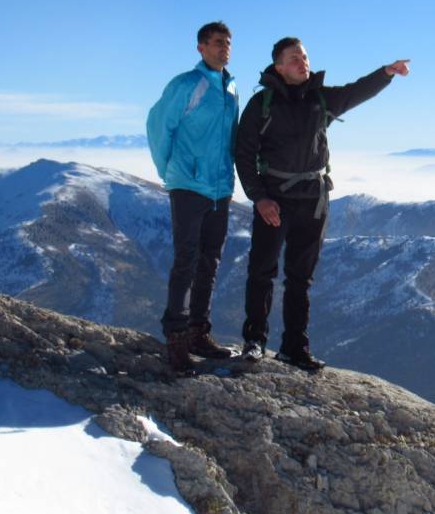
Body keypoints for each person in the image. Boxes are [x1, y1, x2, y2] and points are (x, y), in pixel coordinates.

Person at [235, 36, 410, 370]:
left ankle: (294, 347)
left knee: (301, 277)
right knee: (262, 271)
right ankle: (254, 341)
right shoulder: (262, 104)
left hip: (314, 199)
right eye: (294, 58)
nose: (302, 62)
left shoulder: (321, 99)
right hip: (275, 199)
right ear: (278, 66)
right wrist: (259, 198)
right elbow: (243, 155)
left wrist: (385, 74)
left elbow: (356, 92)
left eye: (304, 56)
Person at [146, 21, 239, 373]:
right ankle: (177, 338)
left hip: (220, 188)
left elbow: (230, 139)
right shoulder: (187, 84)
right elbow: (158, 126)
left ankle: (200, 332)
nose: (224, 48)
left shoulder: (231, 88)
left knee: (210, 261)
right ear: (201, 47)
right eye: (217, 43)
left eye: (227, 43)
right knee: (186, 259)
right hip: (189, 185)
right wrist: (170, 172)